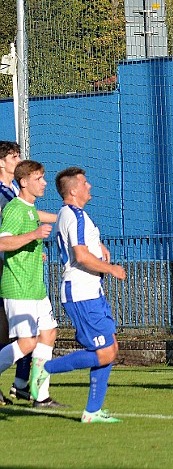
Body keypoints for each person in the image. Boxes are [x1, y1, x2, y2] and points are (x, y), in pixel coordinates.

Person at [28, 167, 127, 422]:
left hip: (91, 290)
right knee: (106, 353)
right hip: (81, 293)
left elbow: (83, 246)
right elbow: (80, 255)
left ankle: (92, 412)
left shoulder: (73, 214)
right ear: (73, 190)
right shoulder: (73, 215)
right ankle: (44, 369)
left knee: (110, 348)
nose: (90, 186)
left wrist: (100, 246)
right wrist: (111, 268)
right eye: (85, 183)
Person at [0, 160, 66, 408]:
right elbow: (2, 243)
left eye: (44, 177)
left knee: (48, 334)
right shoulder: (16, 208)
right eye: (39, 178)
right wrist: (34, 236)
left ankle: (41, 395)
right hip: (18, 287)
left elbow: (19, 245)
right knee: (27, 343)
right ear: (24, 182)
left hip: (35, 288)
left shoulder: (30, 209)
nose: (45, 183)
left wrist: (34, 249)